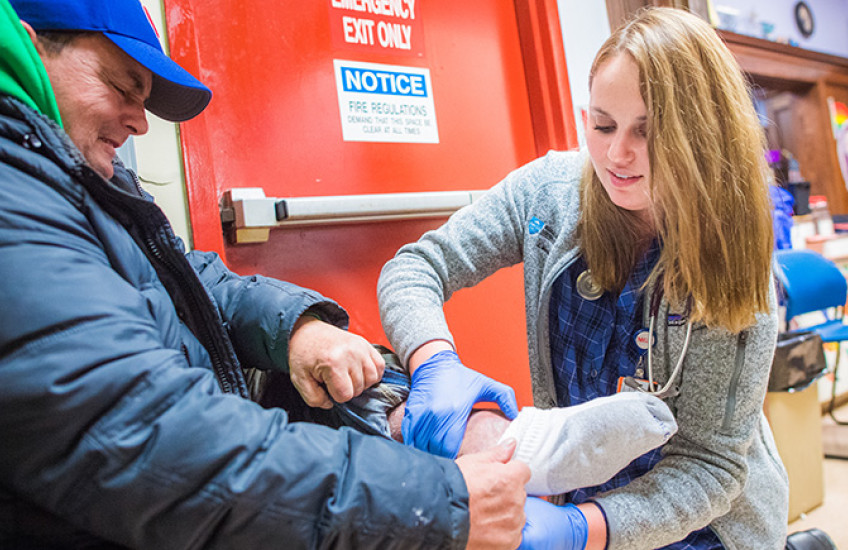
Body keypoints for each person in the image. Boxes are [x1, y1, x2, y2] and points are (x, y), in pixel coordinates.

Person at [0, 0, 533, 547]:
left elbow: (192, 281)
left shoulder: (73, 179)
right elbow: (145, 441)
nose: (140, 120)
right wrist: (435, 503)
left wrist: (296, 328)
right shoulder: (16, 195)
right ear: (31, 43)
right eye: (122, 85)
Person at [378, 7, 789, 550]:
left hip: (702, 522)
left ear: (700, 135)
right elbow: (415, 268)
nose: (617, 155)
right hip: (582, 499)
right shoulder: (548, 194)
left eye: (649, 131)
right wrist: (433, 359)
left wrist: (580, 530)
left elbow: (709, 467)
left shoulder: (732, 256)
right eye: (602, 124)